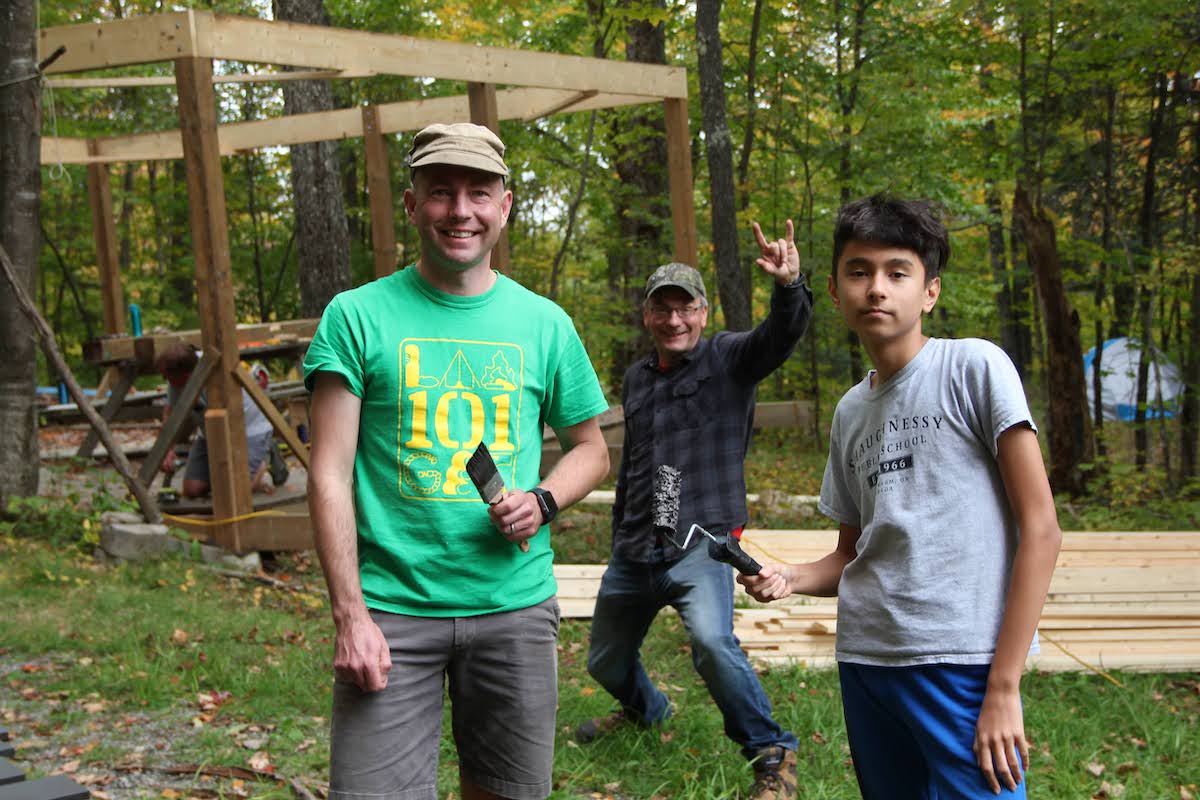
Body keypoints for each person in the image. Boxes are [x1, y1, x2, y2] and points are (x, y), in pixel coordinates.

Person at [303, 122, 610, 800]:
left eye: (479, 192)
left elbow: (592, 449)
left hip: (514, 609)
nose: (460, 210)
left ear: (505, 206)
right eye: (440, 192)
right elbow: (327, 472)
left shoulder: (545, 324)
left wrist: (545, 499)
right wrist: (350, 616)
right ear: (412, 207)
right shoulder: (356, 317)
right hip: (390, 612)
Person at [739, 194, 1062, 799]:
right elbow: (851, 554)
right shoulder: (850, 411)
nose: (877, 289)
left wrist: (1003, 686)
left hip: (961, 662)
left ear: (930, 292)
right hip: (867, 661)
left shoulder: (974, 369)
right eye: (858, 272)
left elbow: (1041, 528)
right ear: (835, 292)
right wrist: (790, 576)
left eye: (897, 272)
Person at [578, 223, 812, 799]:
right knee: (605, 662)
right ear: (648, 317)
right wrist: (620, 536)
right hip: (637, 545)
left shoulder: (729, 359)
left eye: (686, 309)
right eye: (663, 310)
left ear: (703, 314)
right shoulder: (637, 378)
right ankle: (647, 711)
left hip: (700, 544)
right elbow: (640, 464)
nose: (675, 320)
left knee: (710, 641)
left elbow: (778, 337)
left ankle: (773, 754)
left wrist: (789, 286)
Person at [155, 343, 277, 497]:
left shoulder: (218, 369)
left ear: (185, 376)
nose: (165, 380)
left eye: (167, 377)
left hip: (249, 431)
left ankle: (261, 464)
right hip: (210, 433)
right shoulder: (177, 373)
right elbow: (171, 413)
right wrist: (166, 449)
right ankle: (233, 477)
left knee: (235, 494)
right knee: (192, 490)